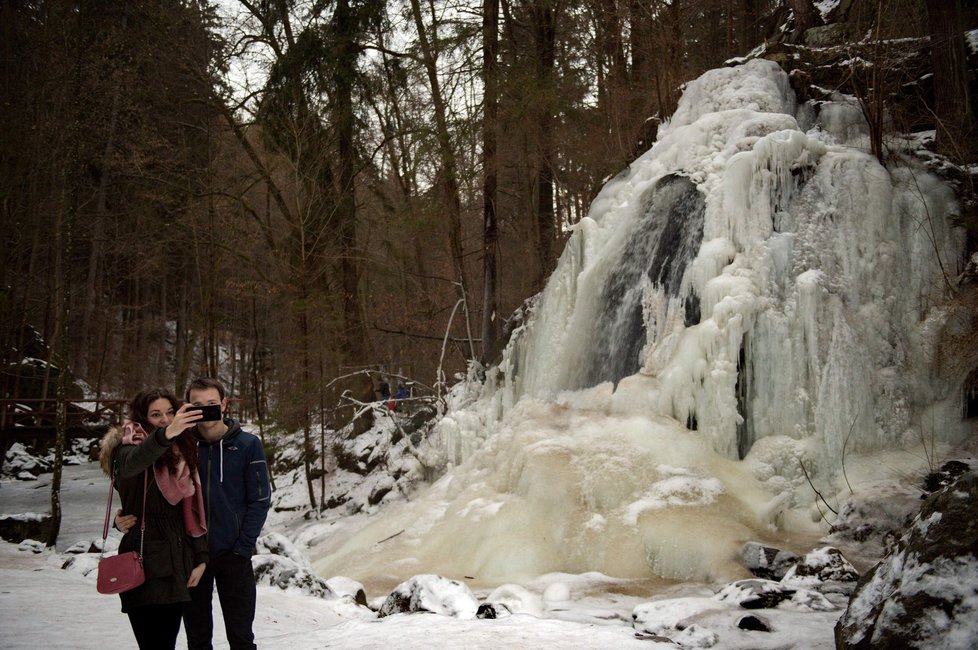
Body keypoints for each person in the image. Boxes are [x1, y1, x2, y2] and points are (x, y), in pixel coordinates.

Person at [99, 388, 209, 650]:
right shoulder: (125, 449)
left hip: (178, 562)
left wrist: (201, 558)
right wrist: (166, 435)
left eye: (170, 413)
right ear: (142, 418)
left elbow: (191, 512)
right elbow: (134, 464)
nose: (165, 420)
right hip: (144, 561)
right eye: (156, 414)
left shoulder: (181, 451)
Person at [181, 377, 271, 650]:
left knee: (241, 638)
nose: (206, 409)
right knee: (197, 639)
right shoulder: (181, 447)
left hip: (233, 554)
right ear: (188, 408)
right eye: (198, 405)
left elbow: (260, 500)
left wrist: (242, 547)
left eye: (211, 403)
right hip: (194, 556)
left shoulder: (247, 444)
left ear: (224, 404)